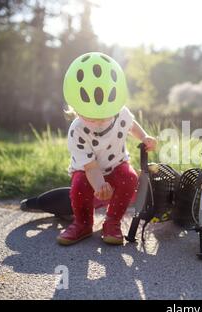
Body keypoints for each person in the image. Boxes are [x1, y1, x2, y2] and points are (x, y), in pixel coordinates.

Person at [57, 52, 156, 246]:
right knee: (79, 186)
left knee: (130, 178)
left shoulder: (120, 112)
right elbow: (90, 167)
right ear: (76, 107)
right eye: (92, 117)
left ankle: (112, 222)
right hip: (89, 172)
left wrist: (144, 137)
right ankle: (83, 223)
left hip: (116, 164)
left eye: (105, 115)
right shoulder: (77, 130)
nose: (100, 121)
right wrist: (100, 186)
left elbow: (132, 125)